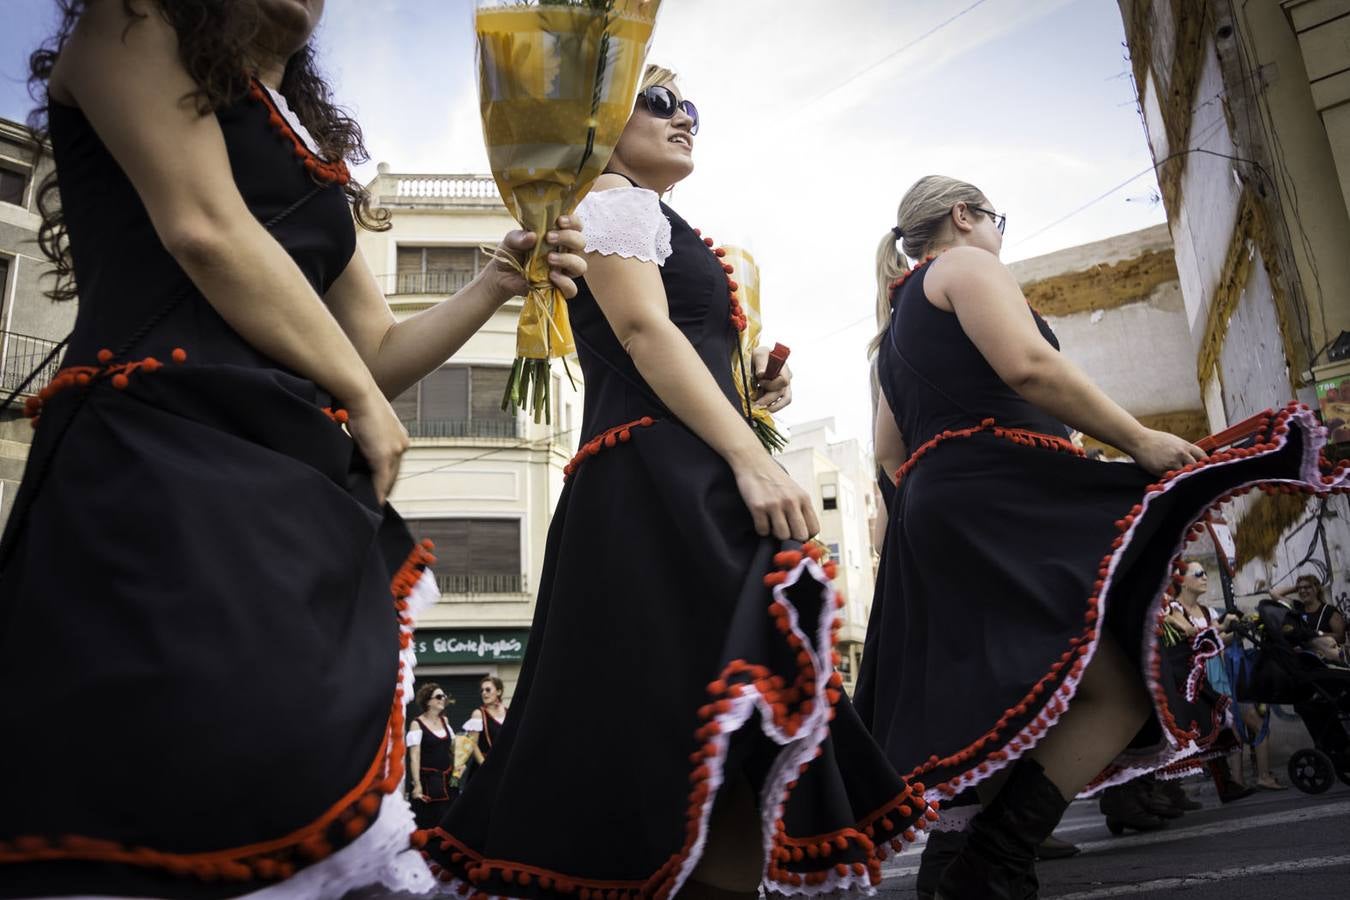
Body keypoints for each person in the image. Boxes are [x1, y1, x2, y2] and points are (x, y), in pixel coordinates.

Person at [0, 2, 585, 897]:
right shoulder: (130, 20)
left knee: (290, 765)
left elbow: (376, 353)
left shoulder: (305, 142)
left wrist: (498, 281)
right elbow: (203, 226)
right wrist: (354, 397)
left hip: (287, 482)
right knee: (173, 784)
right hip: (158, 456)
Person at [423, 66, 934, 898]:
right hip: (658, 491)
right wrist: (749, 454)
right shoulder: (615, 198)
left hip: (662, 479)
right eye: (657, 103)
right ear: (597, 125)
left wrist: (748, 399)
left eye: (690, 106)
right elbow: (641, 330)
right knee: (702, 726)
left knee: (705, 737)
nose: (683, 118)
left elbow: (667, 346)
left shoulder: (649, 214)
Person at [855, 175, 1339, 899]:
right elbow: (1031, 365)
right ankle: (991, 868)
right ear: (964, 216)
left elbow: (890, 454)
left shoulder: (891, 333)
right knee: (1121, 684)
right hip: (1003, 490)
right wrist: (1138, 438)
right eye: (997, 218)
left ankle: (976, 867)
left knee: (1013, 693)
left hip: (942, 506)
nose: (998, 234)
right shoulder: (964, 266)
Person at [1166, 563, 1281, 795]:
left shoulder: (1208, 611)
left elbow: (1216, 642)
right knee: (1192, 734)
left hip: (1217, 671)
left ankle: (1231, 784)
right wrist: (1221, 628)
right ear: (1182, 581)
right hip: (1191, 677)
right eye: (1198, 574)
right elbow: (1191, 636)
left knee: (1227, 727)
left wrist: (1238, 629)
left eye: (1205, 573)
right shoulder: (1174, 609)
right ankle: (1173, 790)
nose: (1205, 577)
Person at [410, 684, 459, 830]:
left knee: (449, 822)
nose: (443, 699)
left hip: (449, 781)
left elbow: (452, 749)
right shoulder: (416, 724)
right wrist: (417, 784)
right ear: (428, 701)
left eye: (444, 696)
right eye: (438, 696)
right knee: (429, 822)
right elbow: (414, 756)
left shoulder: (445, 721)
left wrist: (459, 765)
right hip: (428, 783)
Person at [1275, 575, 1346, 651]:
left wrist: (1317, 634)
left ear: (1316, 589)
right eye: (1300, 589)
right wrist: (1296, 587)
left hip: (1325, 657)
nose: (1302, 591)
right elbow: (1274, 594)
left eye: (1307, 587)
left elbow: (1341, 637)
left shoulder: (1329, 611)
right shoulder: (1297, 607)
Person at [463, 675, 508, 767]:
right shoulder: (478, 714)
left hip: (506, 765)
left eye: (488, 690)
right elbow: (472, 744)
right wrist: (484, 765)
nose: (484, 693)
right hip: (486, 766)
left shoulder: (508, 712)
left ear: (499, 691)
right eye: (482, 690)